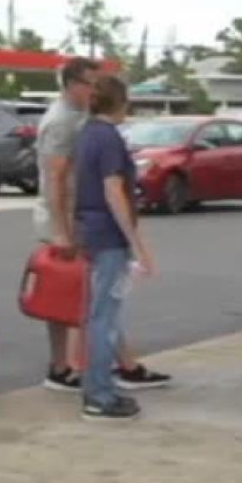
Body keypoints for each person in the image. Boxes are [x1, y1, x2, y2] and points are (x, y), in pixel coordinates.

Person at [35, 57, 169, 393]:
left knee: (99, 300)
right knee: (78, 300)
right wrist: (62, 231)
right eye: (90, 84)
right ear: (71, 84)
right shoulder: (62, 122)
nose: (95, 90)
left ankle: (121, 364)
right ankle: (69, 370)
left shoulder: (87, 122)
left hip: (81, 216)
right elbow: (55, 179)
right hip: (68, 218)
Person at [73, 75, 157, 420]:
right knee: (104, 316)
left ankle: (100, 387)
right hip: (108, 233)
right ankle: (99, 394)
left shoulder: (88, 134)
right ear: (121, 102)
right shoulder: (108, 138)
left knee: (101, 312)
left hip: (90, 228)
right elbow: (113, 191)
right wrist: (137, 242)